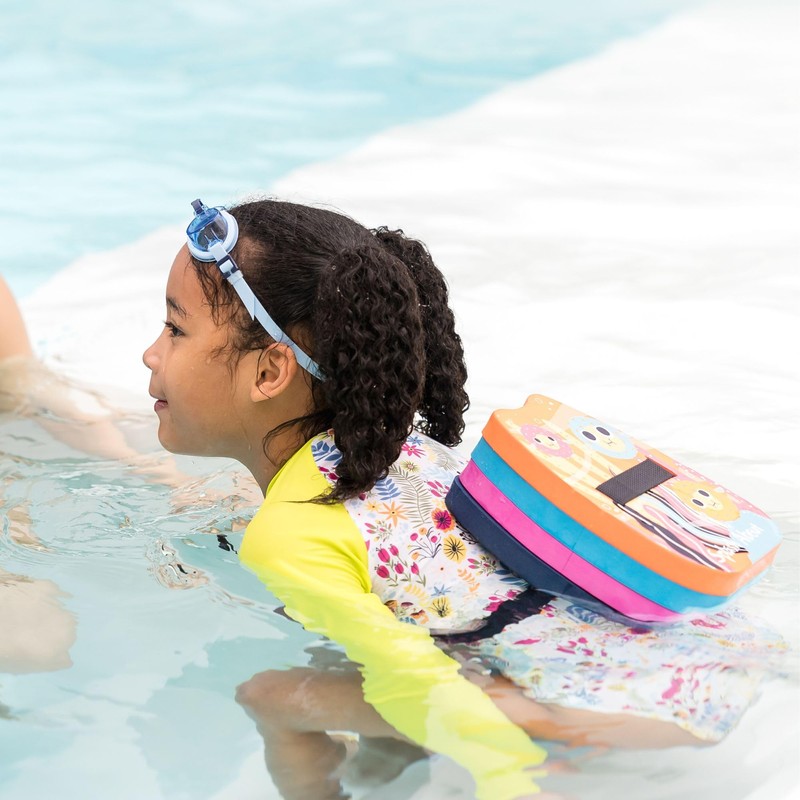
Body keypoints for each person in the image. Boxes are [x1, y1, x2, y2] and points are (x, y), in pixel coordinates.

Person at [142, 198, 784, 800]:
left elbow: (404, 670)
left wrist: (507, 774)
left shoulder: (289, 534)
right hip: (709, 660)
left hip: (605, 707)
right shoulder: (409, 451)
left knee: (270, 692)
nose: (151, 353)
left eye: (175, 329)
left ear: (269, 372)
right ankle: (385, 773)